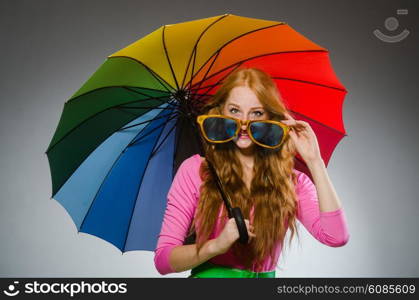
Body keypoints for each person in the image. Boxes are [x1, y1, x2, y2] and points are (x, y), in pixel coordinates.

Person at [154, 67, 350, 278]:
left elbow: (336, 237)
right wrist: (216, 246)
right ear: (222, 113)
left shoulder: (291, 181)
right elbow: (163, 260)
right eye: (235, 110)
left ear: (269, 117)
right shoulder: (196, 171)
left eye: (256, 113)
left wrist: (315, 162)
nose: (244, 123)